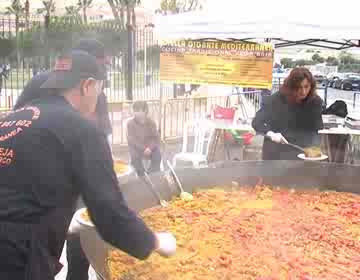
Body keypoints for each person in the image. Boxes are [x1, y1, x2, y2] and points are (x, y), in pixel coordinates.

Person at [0, 50, 176, 280]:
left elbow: (23, 189)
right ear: (88, 85)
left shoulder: (12, 119)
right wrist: (156, 242)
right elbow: (110, 217)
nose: (98, 99)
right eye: (100, 90)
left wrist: (62, 219)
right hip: (16, 259)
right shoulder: (82, 131)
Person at [252, 67, 324, 160]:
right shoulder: (275, 100)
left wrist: (315, 148)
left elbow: (316, 129)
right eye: (298, 87)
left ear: (311, 86)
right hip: (276, 152)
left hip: (303, 152)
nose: (303, 92)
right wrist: (271, 134)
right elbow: (257, 122)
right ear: (290, 87)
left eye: (306, 87)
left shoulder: (315, 102)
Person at [127, 101, 162, 177]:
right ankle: (141, 176)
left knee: (157, 155)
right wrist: (143, 149)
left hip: (150, 147)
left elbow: (155, 138)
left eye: (141, 111)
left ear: (146, 111)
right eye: (136, 111)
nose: (139, 113)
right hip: (137, 148)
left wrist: (149, 148)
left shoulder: (151, 122)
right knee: (134, 157)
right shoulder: (130, 124)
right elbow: (132, 140)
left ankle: (153, 175)